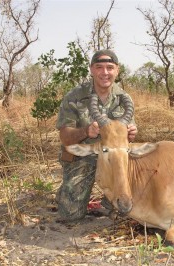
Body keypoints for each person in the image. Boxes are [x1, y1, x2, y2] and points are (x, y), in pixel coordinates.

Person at [55, 49, 138, 222]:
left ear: (117, 70)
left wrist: (130, 133)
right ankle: (67, 193)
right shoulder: (74, 96)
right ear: (91, 69)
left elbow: (128, 132)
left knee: (126, 205)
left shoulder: (124, 99)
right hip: (84, 157)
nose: (105, 73)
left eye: (110, 67)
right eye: (99, 67)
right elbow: (65, 137)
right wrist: (85, 131)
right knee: (70, 215)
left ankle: (109, 202)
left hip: (114, 158)